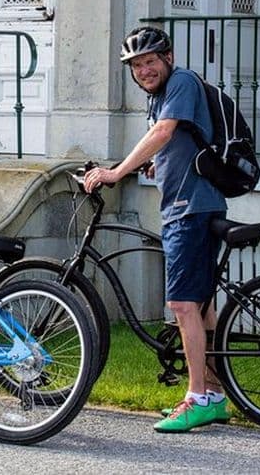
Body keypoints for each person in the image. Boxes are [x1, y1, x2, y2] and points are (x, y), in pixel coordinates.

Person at [83, 26, 229, 433]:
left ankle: (196, 396)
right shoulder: (160, 95)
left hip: (189, 208)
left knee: (182, 305)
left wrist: (117, 171)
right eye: (136, 65)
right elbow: (174, 141)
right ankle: (214, 396)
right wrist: (154, 164)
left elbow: (163, 132)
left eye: (150, 60)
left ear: (168, 57)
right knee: (200, 306)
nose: (144, 69)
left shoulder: (180, 81)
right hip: (190, 204)